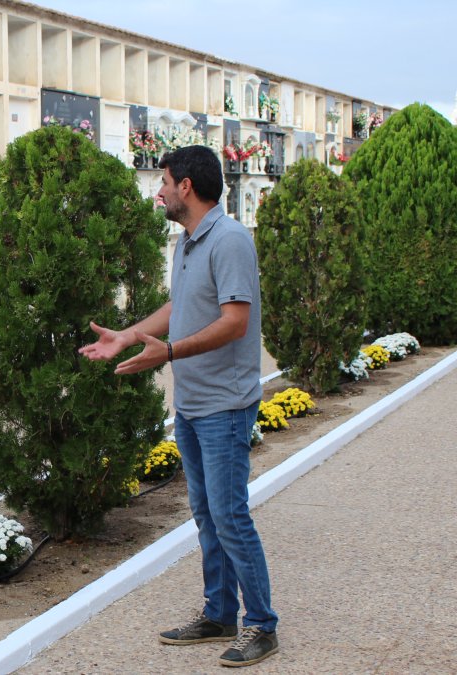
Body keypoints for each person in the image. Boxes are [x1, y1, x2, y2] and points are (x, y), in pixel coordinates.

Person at [79, 145, 279, 667]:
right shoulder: (188, 242)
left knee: (230, 515)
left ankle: (261, 625)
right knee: (207, 515)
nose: (160, 190)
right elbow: (180, 306)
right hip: (192, 403)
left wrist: (165, 353)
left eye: (165, 180)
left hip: (226, 405)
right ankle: (219, 614)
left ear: (186, 186)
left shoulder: (230, 240)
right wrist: (128, 336)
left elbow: (236, 321)